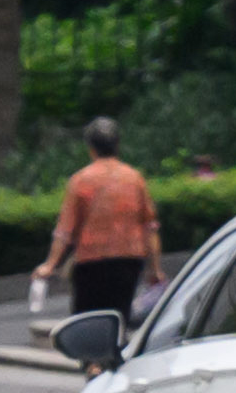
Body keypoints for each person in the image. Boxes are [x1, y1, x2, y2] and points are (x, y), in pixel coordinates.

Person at [49, 119, 159, 333]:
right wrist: (155, 268)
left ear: (91, 149)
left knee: (87, 322)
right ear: (117, 144)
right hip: (129, 260)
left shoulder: (80, 181)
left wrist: (50, 264)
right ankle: (115, 360)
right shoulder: (135, 178)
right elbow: (150, 227)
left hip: (92, 263)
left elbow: (65, 231)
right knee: (119, 319)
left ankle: (92, 364)